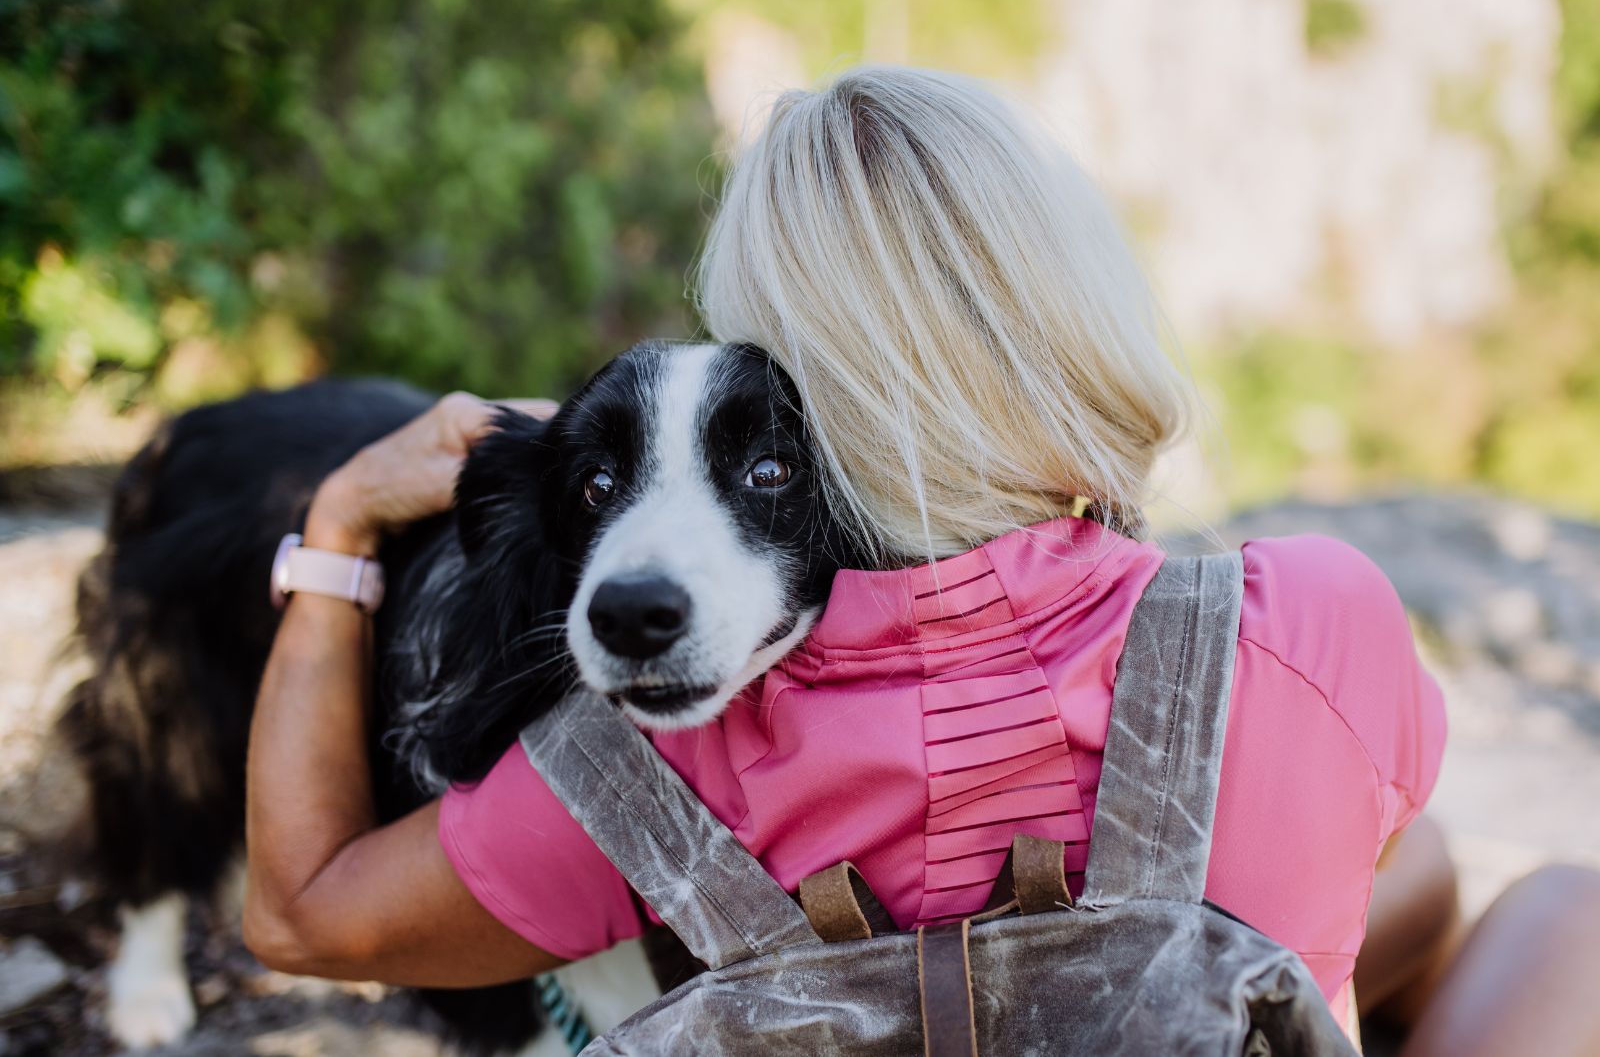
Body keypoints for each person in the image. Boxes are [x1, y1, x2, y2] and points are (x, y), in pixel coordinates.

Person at [242, 67, 1599, 1052]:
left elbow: (299, 917)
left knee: (1416, 878)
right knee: (1553, 908)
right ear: (1071, 322)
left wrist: (341, 532)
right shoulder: (1301, 618)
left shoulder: (668, 742)